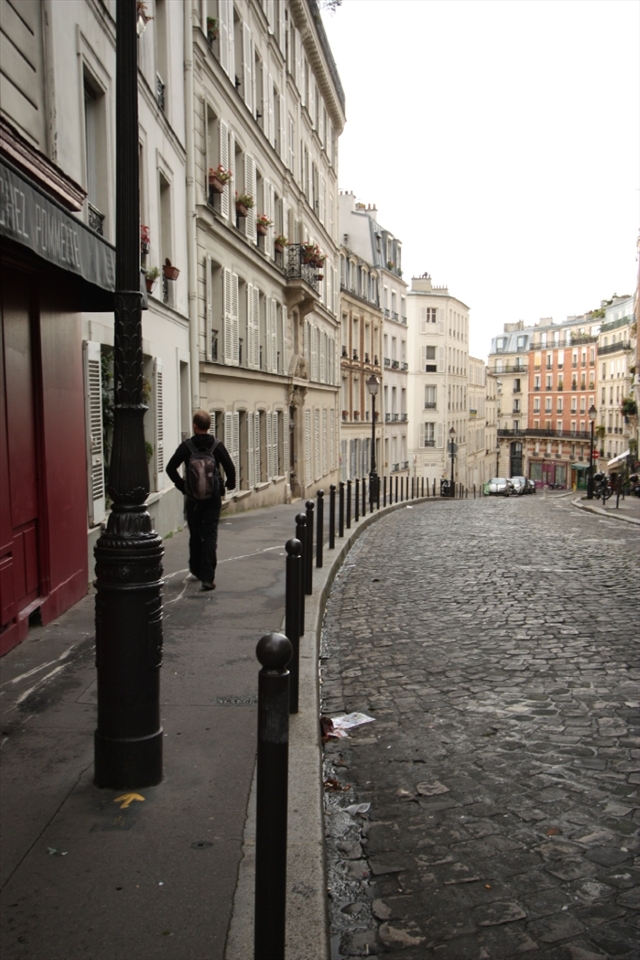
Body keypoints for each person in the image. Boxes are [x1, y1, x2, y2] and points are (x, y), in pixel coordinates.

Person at [166, 410, 236, 591]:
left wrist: (183, 486)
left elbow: (170, 468)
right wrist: (229, 484)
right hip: (212, 498)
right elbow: (230, 468)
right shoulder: (217, 446)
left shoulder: (187, 447)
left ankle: (196, 568)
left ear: (195, 426)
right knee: (210, 535)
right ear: (209, 426)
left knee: (196, 534)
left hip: (193, 499)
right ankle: (208, 577)